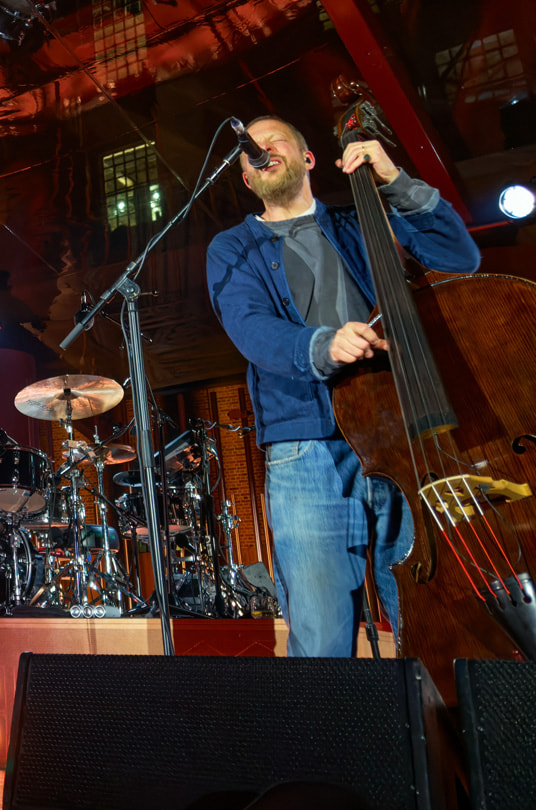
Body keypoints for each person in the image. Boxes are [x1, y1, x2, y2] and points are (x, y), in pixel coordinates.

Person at [205, 116, 480, 656]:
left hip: (400, 434)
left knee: (430, 617)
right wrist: (321, 346)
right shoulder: (233, 248)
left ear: (307, 158)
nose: (259, 151)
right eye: (249, 152)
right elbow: (252, 329)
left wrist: (395, 180)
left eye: (273, 141)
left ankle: (437, 733)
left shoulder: (363, 220)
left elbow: (459, 258)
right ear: (246, 179)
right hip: (308, 447)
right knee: (322, 630)